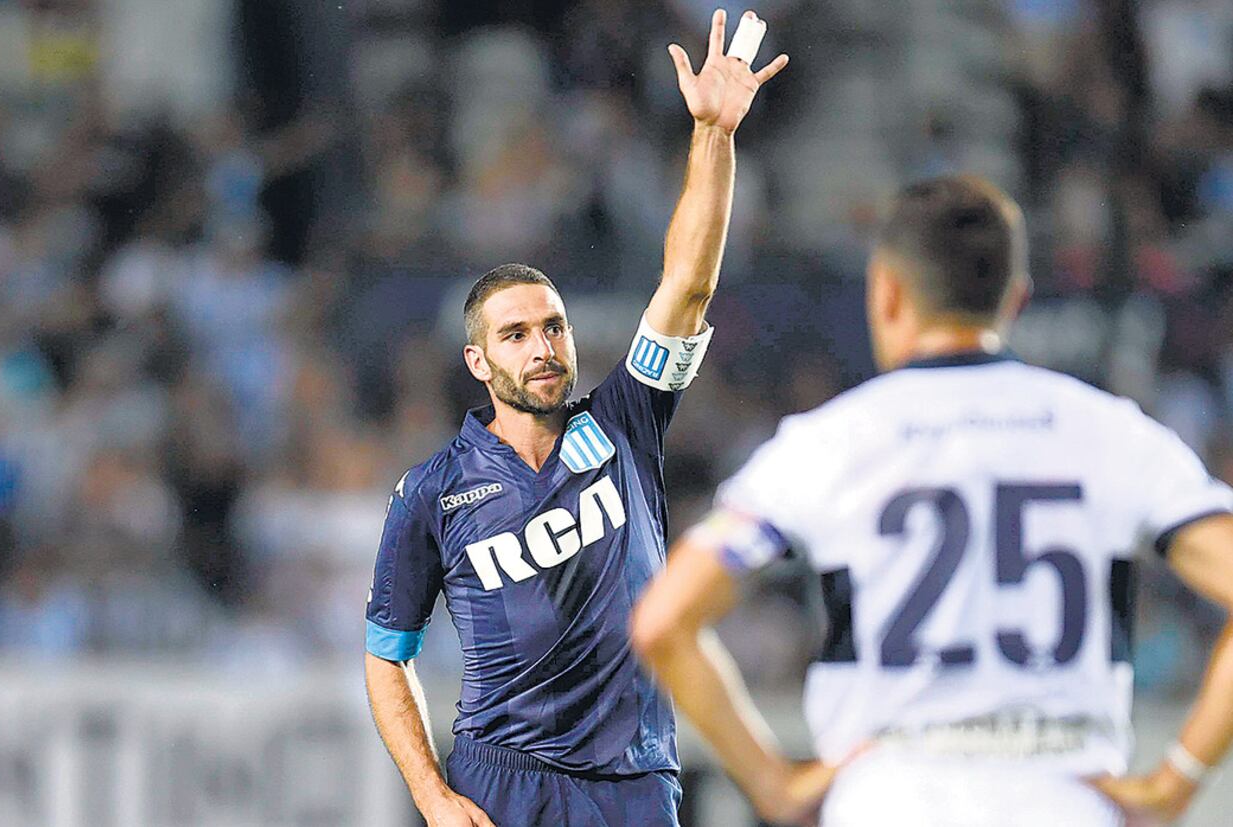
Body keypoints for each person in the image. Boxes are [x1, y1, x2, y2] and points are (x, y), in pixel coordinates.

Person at [631, 175, 1233, 826]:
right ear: (1016, 300)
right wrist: (1177, 778)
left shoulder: (830, 441)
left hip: (890, 795)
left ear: (886, 293)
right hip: (1061, 794)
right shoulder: (1113, 431)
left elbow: (663, 619)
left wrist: (771, 782)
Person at [363, 10, 788, 827]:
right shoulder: (431, 491)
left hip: (633, 783)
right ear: (478, 362)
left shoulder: (627, 421)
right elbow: (388, 655)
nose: (543, 347)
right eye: (515, 334)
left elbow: (685, 288)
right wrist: (431, 794)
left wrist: (712, 136)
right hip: (501, 783)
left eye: (552, 326)